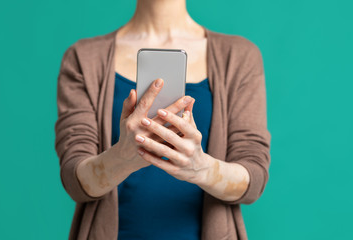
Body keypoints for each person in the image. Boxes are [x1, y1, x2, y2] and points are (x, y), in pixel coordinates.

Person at [54, 0, 271, 239]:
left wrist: (200, 167)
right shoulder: (83, 58)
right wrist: (122, 157)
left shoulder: (240, 56)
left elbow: (253, 177)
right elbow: (75, 178)